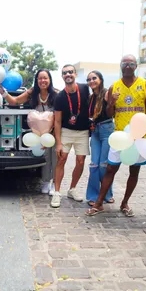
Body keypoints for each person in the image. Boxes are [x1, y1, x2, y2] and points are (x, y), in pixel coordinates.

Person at [86, 55, 146, 217]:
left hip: (139, 136)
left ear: (136, 66)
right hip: (120, 135)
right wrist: (111, 103)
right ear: (121, 66)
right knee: (110, 168)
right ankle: (99, 203)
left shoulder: (145, 85)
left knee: (134, 171)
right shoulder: (114, 87)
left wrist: (145, 124)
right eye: (125, 63)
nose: (128, 66)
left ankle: (125, 203)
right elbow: (110, 113)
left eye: (131, 63)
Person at [0, 69, 59, 195]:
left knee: (56, 157)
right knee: (45, 157)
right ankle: (46, 181)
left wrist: (52, 132)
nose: (43, 81)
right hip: (39, 132)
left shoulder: (56, 94)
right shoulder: (32, 93)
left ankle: (55, 184)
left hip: (54, 130)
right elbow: (14, 101)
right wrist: (3, 92)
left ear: (50, 80)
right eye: (40, 78)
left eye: (45, 78)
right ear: (36, 80)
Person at [51, 64, 90, 208]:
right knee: (61, 160)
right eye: (65, 73)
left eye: (70, 72)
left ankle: (72, 189)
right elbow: (57, 121)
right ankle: (56, 192)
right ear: (62, 76)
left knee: (80, 161)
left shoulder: (85, 88)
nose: (68, 74)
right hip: (66, 131)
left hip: (83, 132)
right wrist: (59, 143)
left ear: (75, 74)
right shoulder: (60, 97)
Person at [85, 70, 115, 205]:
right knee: (94, 164)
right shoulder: (91, 98)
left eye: (94, 78)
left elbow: (111, 112)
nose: (91, 81)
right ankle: (92, 196)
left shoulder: (107, 93)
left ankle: (107, 194)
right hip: (95, 131)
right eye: (89, 79)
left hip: (107, 129)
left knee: (104, 164)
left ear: (101, 79)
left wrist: (111, 102)